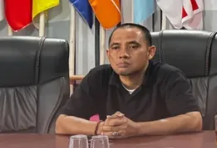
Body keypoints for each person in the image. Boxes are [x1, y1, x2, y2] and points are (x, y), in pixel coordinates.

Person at [55, 23, 202, 138]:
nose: (123, 54)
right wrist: (102, 128)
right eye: (116, 48)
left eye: (132, 47)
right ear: (108, 54)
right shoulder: (98, 77)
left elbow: (194, 120)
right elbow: (62, 123)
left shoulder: (168, 76)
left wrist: (137, 129)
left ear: (150, 52)